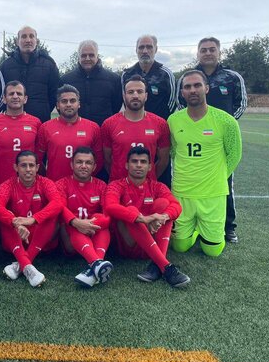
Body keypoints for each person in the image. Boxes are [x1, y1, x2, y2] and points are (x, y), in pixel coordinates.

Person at [178, 37, 248, 243]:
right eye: (203, 50)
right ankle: (193, 225)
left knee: (224, 182)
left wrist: (224, 127)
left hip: (219, 138)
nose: (208, 53)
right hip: (194, 135)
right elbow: (179, 103)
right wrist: (195, 126)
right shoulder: (188, 77)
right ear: (198, 53)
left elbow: (241, 104)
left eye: (211, 49)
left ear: (219, 52)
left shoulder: (232, 77)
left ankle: (228, 226)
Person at [169, 70, 242, 257]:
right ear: (182, 93)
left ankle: (205, 232)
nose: (192, 90)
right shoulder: (173, 120)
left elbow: (234, 155)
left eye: (197, 85)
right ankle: (195, 230)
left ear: (207, 88)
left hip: (213, 194)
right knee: (180, 247)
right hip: (183, 191)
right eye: (187, 87)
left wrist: (217, 177)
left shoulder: (226, 121)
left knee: (212, 251)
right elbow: (173, 151)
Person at [104, 147, 189, 288]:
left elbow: (176, 206)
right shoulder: (116, 185)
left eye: (143, 162)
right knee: (131, 211)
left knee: (164, 205)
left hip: (152, 244)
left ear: (150, 167)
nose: (138, 165)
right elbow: (110, 206)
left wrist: (163, 217)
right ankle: (166, 266)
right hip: (127, 245)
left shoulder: (157, 186)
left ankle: (158, 263)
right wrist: (143, 219)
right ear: (127, 165)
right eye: (134, 161)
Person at [0, 151, 63, 287]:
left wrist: (33, 219)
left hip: (40, 239)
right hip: (17, 237)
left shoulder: (46, 183)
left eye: (31, 165)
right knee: (5, 217)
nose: (28, 169)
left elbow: (57, 203)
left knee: (52, 215)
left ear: (37, 167)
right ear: (16, 167)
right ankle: (27, 266)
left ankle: (22, 263)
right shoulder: (7, 185)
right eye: (23, 165)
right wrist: (15, 223)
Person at [55, 147, 113, 288]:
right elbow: (60, 208)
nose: (83, 166)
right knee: (69, 222)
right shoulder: (61, 184)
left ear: (94, 167)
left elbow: (108, 214)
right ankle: (97, 263)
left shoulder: (101, 185)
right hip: (71, 237)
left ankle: (95, 264)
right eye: (79, 162)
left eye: (88, 163)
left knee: (101, 220)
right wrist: (77, 222)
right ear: (72, 164)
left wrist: (91, 223)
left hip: (93, 233)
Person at [100, 75, 170, 182]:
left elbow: (163, 160)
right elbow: (107, 160)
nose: (135, 95)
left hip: (147, 187)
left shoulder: (160, 124)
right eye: (130, 92)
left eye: (140, 91)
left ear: (146, 96)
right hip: (118, 186)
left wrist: (148, 178)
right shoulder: (109, 124)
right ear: (124, 96)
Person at [36, 84, 103, 182]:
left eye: (72, 101)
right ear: (58, 105)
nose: (68, 104)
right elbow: (37, 160)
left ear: (79, 104)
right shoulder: (45, 128)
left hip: (83, 185)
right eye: (64, 101)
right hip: (55, 185)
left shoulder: (93, 127)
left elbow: (99, 160)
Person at [0, 26, 59, 122]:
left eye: (31, 36)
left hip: (40, 121)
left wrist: (43, 110)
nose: (28, 40)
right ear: (17, 41)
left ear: (37, 41)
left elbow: (54, 94)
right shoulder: (5, 66)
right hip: (12, 122)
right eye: (24, 36)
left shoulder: (49, 65)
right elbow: (0, 94)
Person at [0, 81, 41, 190]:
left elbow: (38, 152)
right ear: (4, 98)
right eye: (11, 94)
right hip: (1, 183)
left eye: (19, 94)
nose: (15, 96)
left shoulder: (35, 122)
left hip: (28, 184)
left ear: (25, 99)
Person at [59, 40, 122, 128]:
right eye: (83, 55)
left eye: (91, 55)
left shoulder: (114, 79)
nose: (87, 58)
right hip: (74, 130)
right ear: (78, 57)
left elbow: (116, 106)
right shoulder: (65, 80)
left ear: (97, 56)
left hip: (103, 129)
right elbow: (62, 107)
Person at [121, 35, 176, 120]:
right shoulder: (127, 74)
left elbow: (173, 101)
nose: (145, 51)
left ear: (156, 49)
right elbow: (125, 101)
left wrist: (162, 121)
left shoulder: (166, 74)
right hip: (135, 123)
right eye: (141, 47)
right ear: (136, 50)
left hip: (160, 124)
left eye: (149, 47)